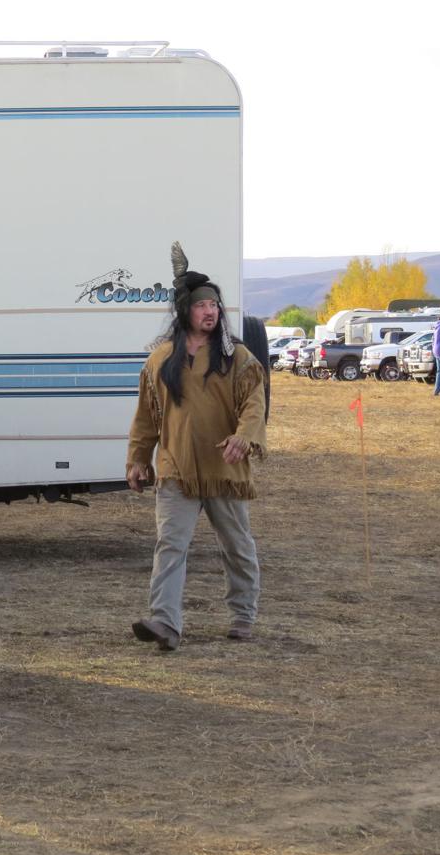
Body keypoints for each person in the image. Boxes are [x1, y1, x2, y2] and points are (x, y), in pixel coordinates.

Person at [126, 242, 267, 651]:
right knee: (170, 546)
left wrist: (244, 437)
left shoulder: (237, 358)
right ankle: (165, 622)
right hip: (177, 470)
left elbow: (254, 406)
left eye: (216, 307)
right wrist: (138, 459)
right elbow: (146, 417)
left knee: (236, 546)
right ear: (185, 310)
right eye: (204, 306)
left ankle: (243, 615)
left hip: (225, 471)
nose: (212, 313)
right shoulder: (160, 361)